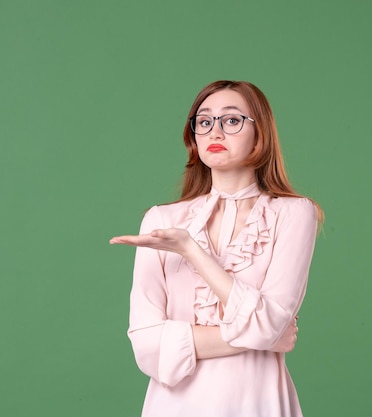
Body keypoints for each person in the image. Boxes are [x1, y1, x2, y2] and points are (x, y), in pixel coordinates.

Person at [110, 80, 323, 417]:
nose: (215, 133)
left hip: (258, 401)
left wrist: (191, 250)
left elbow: (269, 326)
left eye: (232, 120)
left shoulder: (295, 213)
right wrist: (260, 336)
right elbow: (147, 345)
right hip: (173, 406)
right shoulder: (161, 219)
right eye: (204, 121)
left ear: (261, 132)